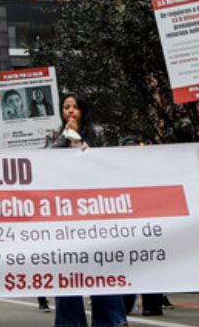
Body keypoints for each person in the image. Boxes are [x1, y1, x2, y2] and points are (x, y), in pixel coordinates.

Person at [48, 93, 126, 327]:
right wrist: (65, 139)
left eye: (75, 107)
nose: (70, 111)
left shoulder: (98, 134)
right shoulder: (54, 136)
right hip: (66, 213)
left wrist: (85, 148)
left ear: (83, 111)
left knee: (103, 266)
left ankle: (112, 320)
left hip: (94, 210)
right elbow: (46, 162)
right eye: (66, 107)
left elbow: (108, 164)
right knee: (68, 270)